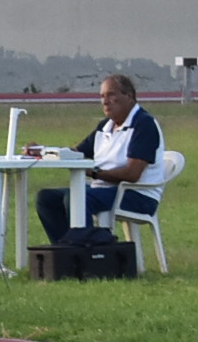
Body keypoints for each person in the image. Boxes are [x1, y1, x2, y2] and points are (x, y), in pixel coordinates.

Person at [31, 74, 166, 247]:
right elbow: (76, 153)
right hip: (104, 189)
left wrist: (94, 173)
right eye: (102, 96)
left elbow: (132, 174)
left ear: (129, 96)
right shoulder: (105, 126)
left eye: (111, 95)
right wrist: (43, 151)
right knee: (46, 198)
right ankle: (65, 252)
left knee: (77, 198)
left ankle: (88, 253)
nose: (105, 101)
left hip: (137, 194)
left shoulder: (144, 124)